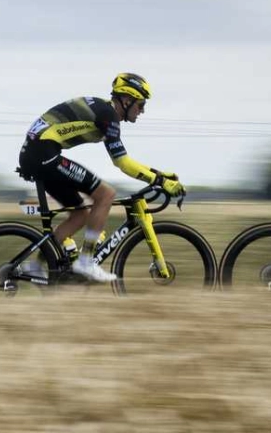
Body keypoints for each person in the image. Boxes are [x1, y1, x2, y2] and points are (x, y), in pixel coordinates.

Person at [18, 73, 183, 284]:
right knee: (106, 195)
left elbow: (124, 159)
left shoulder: (106, 114)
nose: (142, 111)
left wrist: (158, 175)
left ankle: (35, 265)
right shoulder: (108, 116)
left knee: (80, 215)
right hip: (43, 153)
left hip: (38, 153)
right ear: (126, 100)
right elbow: (122, 163)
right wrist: (159, 182)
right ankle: (86, 261)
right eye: (140, 105)